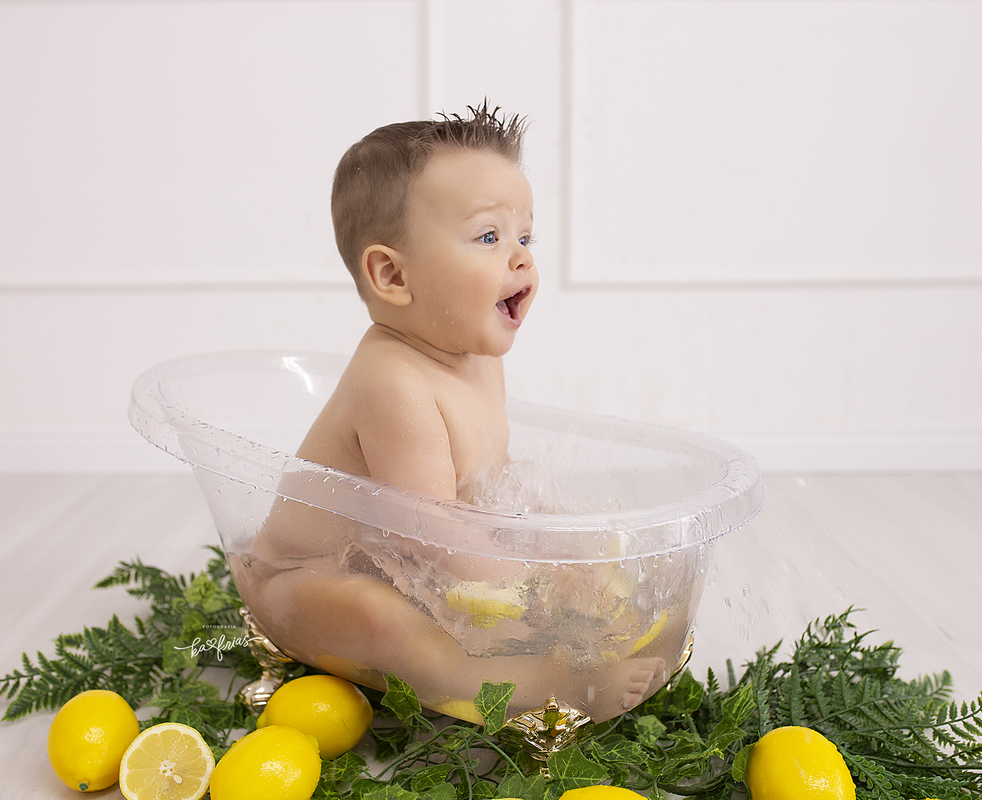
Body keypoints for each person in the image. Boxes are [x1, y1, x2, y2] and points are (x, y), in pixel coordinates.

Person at [235, 103, 666, 721]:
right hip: (299, 584)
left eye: (525, 237)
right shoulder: (394, 382)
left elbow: (487, 485)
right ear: (392, 274)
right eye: (489, 237)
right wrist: (537, 582)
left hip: (396, 559)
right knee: (381, 617)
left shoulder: (473, 354)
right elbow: (432, 535)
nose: (521, 259)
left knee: (568, 569)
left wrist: (562, 551)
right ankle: (537, 680)